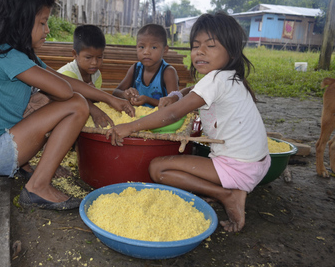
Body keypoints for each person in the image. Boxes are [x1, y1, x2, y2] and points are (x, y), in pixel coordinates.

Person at [0, 0, 135, 211]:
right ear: (20, 22)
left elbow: (61, 79)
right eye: (42, 23)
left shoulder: (10, 52)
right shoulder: (7, 56)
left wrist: (109, 98)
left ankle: (30, 169)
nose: (47, 29)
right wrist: (88, 102)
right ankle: (38, 187)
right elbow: (64, 90)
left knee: (58, 100)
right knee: (77, 105)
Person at [105, 12, 270, 232]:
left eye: (210, 46)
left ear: (230, 50)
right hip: (257, 163)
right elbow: (191, 90)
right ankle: (231, 189)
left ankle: (227, 195)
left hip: (239, 167)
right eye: (195, 46)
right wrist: (176, 95)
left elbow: (172, 115)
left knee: (158, 169)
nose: (199, 52)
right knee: (184, 163)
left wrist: (130, 127)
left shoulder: (215, 80)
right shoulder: (228, 77)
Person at [57, 24, 112, 128]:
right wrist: (90, 101)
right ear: (75, 54)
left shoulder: (96, 75)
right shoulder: (67, 74)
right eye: (88, 57)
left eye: (99, 57)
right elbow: (70, 100)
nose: (95, 63)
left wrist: (93, 95)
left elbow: (95, 102)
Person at [112, 24, 179, 108]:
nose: (146, 52)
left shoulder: (167, 72)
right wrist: (125, 94)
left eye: (154, 47)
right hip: (137, 117)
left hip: (161, 118)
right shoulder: (136, 69)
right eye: (142, 47)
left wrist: (147, 100)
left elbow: (174, 103)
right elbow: (116, 92)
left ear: (165, 50)